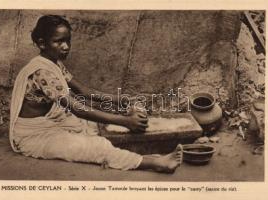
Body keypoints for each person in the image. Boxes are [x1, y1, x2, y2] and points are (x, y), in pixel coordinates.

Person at [10, 15, 182, 173]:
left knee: (94, 126)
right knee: (95, 146)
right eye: (59, 41)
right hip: (33, 136)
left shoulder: (54, 63)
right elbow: (77, 108)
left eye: (68, 40)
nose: (66, 46)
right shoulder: (42, 71)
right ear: (42, 43)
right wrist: (125, 121)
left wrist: (119, 100)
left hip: (51, 122)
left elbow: (83, 91)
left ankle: (140, 154)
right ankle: (156, 163)